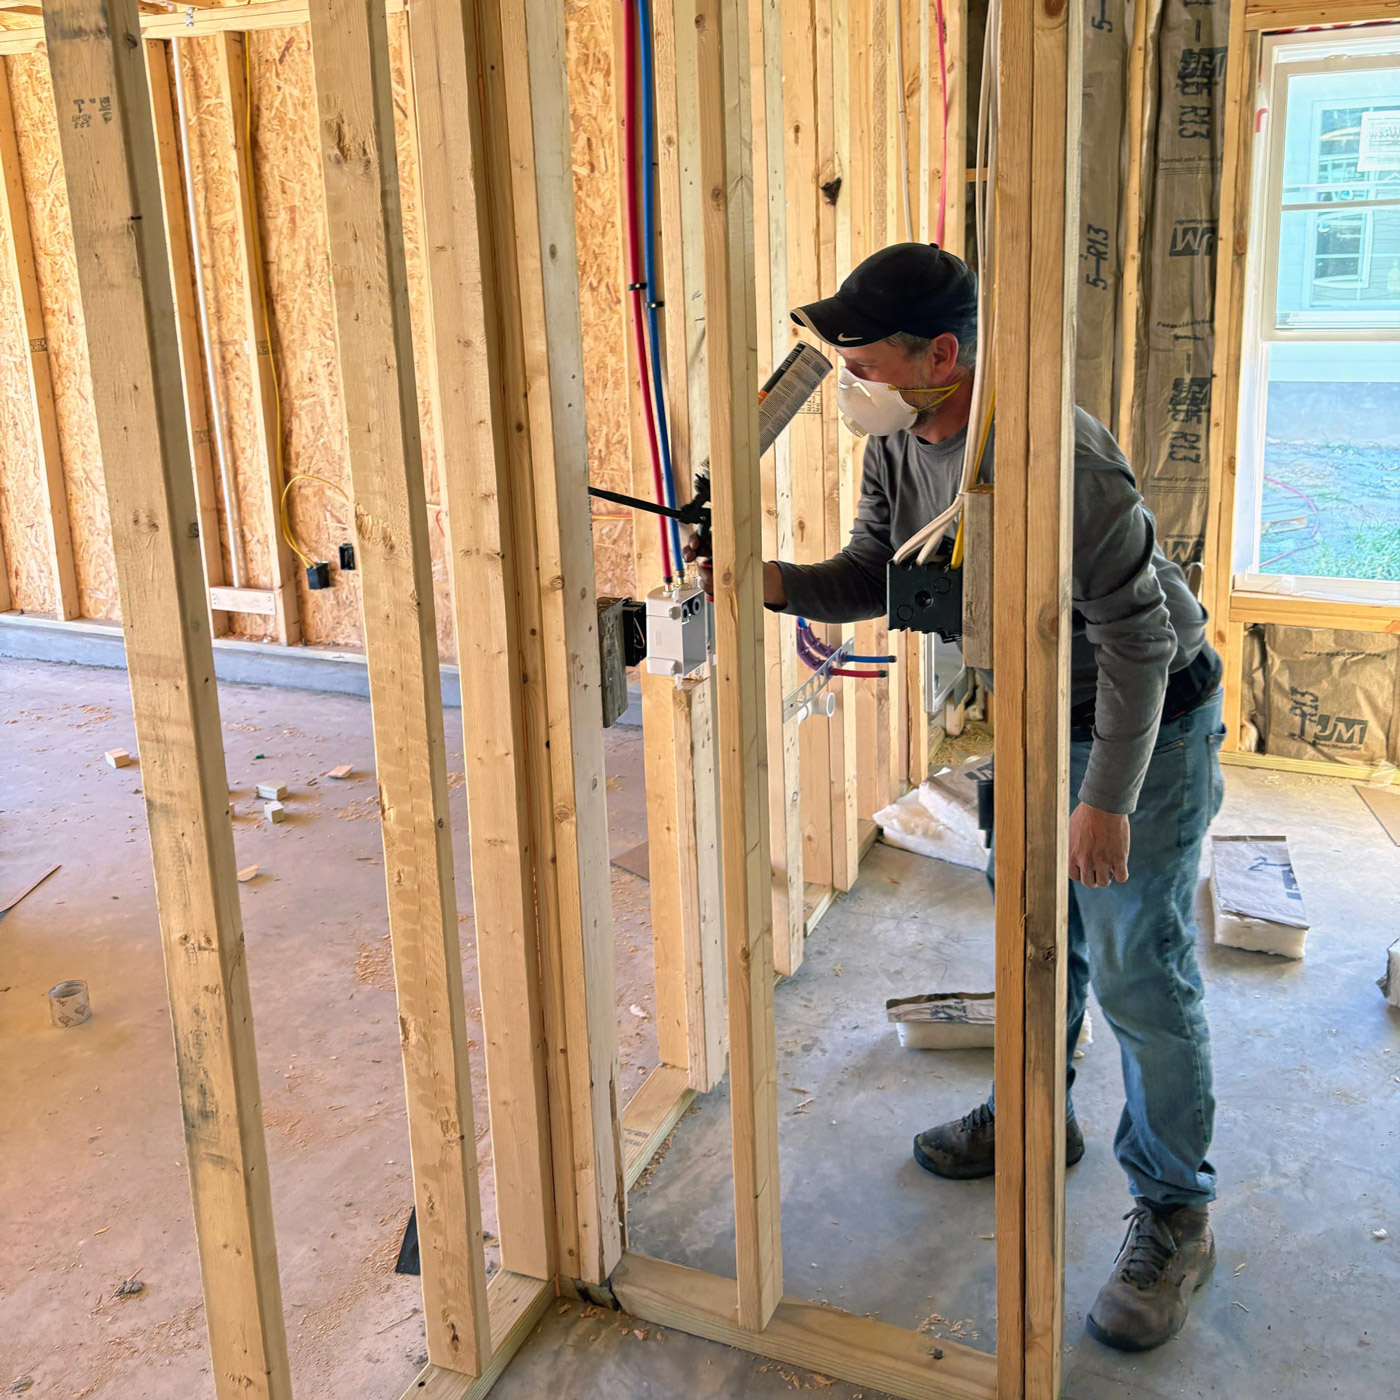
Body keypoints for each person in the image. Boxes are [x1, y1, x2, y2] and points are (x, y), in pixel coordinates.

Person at [695, 242, 1226, 1353]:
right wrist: (772, 580)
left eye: (862, 357)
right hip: (1032, 718)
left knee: (1135, 961)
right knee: (1033, 940)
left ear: (939, 353)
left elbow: (1135, 638)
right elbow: (876, 570)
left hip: (1143, 721)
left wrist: (1105, 801)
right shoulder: (898, 442)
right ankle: (1036, 1116)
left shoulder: (1054, 458)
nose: (847, 378)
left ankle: (1175, 1208)